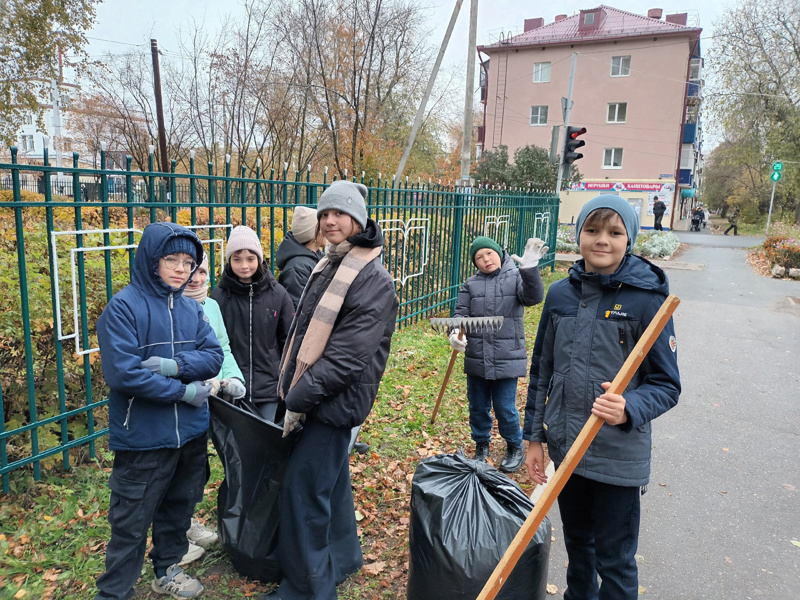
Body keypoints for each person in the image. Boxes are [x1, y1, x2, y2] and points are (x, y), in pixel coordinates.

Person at [524, 194, 681, 600]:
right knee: (580, 552)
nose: (602, 240)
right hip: (567, 450)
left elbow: (667, 384)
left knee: (614, 562)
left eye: (614, 232)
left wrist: (630, 407)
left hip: (617, 459)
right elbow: (541, 369)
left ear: (629, 238)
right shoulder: (559, 296)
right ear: (579, 235)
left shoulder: (648, 301)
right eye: (592, 230)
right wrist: (534, 438)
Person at [262, 180, 398, 600]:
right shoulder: (331, 263)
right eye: (324, 214)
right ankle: (341, 559)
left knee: (304, 492)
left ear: (358, 218)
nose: (330, 220)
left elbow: (346, 358)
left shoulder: (371, 277)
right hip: (323, 399)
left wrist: (295, 398)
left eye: (339, 213)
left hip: (334, 403)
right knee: (329, 486)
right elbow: (305, 333)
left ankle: (308, 589)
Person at [94, 222, 224, 600]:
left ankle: (167, 568)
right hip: (144, 437)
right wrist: (184, 391)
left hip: (191, 435)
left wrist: (173, 366)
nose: (182, 269)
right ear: (152, 261)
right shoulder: (123, 308)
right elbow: (126, 374)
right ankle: (114, 591)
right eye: (172, 259)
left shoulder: (190, 308)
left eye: (189, 262)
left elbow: (213, 357)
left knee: (178, 509)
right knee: (131, 521)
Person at [448, 235, 546, 473]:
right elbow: (460, 314)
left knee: (505, 407)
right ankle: (481, 445)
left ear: (499, 253)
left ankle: (514, 446)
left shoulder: (516, 277)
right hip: (477, 356)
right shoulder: (470, 284)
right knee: (478, 405)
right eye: (479, 257)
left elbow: (533, 297)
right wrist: (455, 331)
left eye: (489, 254)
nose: (485, 260)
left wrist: (530, 270)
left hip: (506, 357)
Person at [181, 254, 247, 559]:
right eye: (190, 271)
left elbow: (222, 347)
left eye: (202, 271)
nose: (195, 278)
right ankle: (173, 537)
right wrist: (204, 381)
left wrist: (231, 375)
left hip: (210, 401)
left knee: (197, 466)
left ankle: (186, 522)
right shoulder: (169, 308)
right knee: (175, 469)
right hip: (183, 400)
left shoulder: (211, 306)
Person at [210, 226, 294, 422]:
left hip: (269, 387)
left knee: (263, 440)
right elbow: (213, 342)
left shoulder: (278, 294)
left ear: (259, 259)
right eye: (237, 259)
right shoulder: (219, 297)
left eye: (250, 259)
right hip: (232, 387)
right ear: (229, 261)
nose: (244, 265)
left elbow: (288, 340)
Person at [276, 206, 325, 308]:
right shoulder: (298, 267)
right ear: (314, 233)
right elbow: (298, 309)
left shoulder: (318, 257)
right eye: (323, 227)